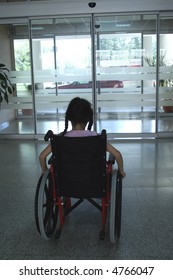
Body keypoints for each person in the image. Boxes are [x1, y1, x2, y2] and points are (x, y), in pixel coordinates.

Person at [39, 97, 126, 178]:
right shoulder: (96, 138)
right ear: (88, 118)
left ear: (69, 117)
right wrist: (121, 171)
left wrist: (45, 171)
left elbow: (42, 157)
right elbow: (117, 155)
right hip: (93, 182)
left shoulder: (60, 138)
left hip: (65, 183)